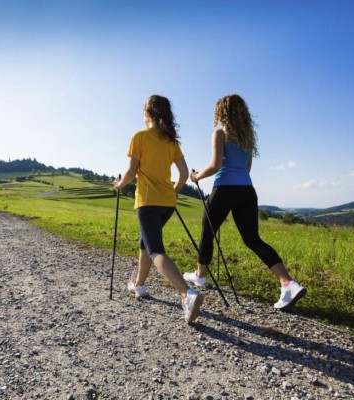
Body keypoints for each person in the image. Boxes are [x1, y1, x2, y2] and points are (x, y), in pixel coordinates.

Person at [185, 94, 306, 311]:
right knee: (253, 239)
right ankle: (288, 283)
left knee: (207, 231)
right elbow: (247, 168)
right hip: (247, 191)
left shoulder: (220, 133)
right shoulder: (247, 137)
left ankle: (200, 276)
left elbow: (214, 165)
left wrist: (196, 177)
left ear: (221, 112)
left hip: (224, 188)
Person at [115, 95, 204, 323]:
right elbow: (183, 175)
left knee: (155, 250)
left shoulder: (140, 137)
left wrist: (120, 184)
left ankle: (187, 294)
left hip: (147, 201)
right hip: (168, 202)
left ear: (148, 114)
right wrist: (173, 191)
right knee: (145, 243)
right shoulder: (172, 141)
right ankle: (139, 285)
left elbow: (131, 171)